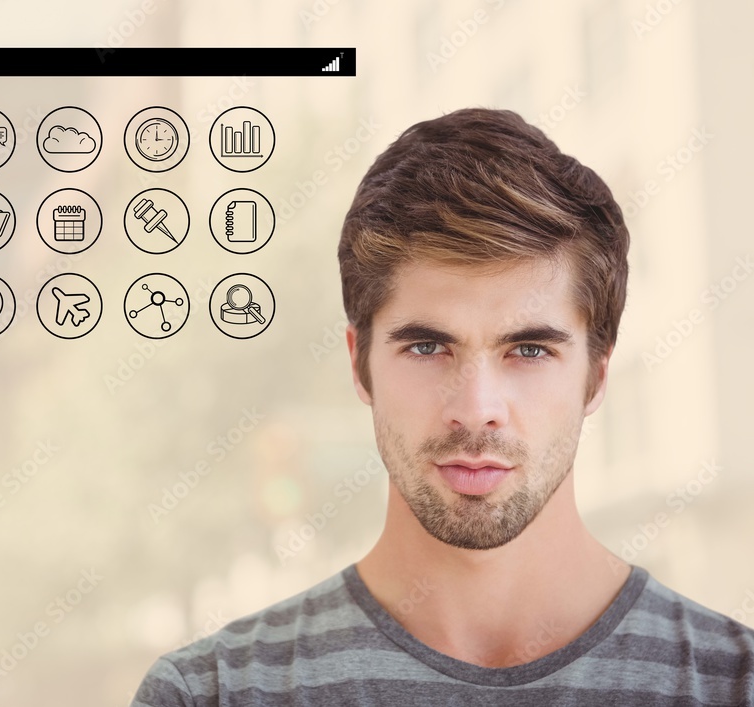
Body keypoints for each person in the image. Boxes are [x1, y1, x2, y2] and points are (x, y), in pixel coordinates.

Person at [131, 107, 754, 705]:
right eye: (428, 346)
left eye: (529, 350)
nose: (477, 409)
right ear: (359, 363)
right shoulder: (215, 693)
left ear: (596, 375)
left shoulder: (735, 685)